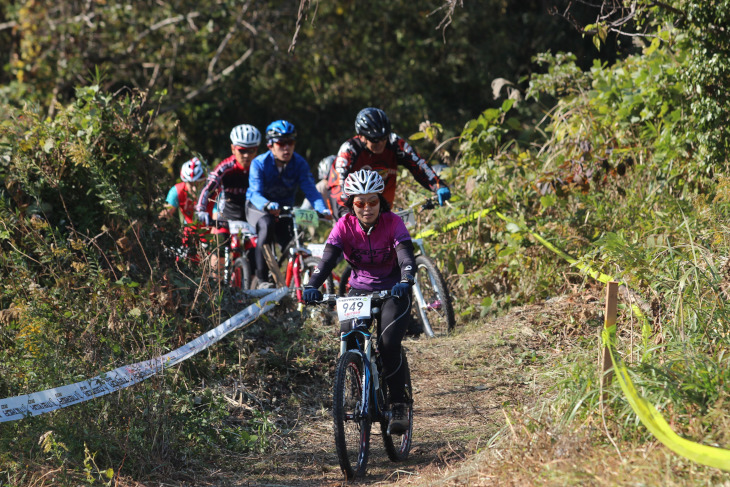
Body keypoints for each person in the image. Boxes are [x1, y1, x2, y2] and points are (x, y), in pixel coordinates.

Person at [302, 169, 415, 434]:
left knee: (388, 345)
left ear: (381, 201)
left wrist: (406, 280)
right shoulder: (344, 226)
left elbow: (406, 257)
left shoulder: (393, 222)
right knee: (350, 339)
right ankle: (358, 390)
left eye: (372, 202)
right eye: (360, 203)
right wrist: (311, 286)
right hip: (359, 291)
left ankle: (398, 403)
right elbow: (327, 261)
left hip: (393, 291)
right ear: (351, 203)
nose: (367, 208)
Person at [245, 120, 331, 288]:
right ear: (270, 145)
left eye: (290, 142)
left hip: (285, 209)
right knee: (267, 224)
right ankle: (262, 280)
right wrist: (267, 204)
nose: (286, 148)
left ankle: (293, 285)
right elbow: (255, 193)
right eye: (281, 143)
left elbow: (311, 191)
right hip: (258, 207)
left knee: (294, 241)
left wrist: (322, 209)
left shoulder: (299, 163)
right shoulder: (259, 163)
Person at [327, 107, 451, 219]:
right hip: (355, 209)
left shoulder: (394, 142)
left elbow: (418, 164)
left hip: (383, 208)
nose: (380, 143)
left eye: (384, 138)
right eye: (375, 140)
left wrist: (438, 184)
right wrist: (347, 214)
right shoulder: (349, 150)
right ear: (361, 136)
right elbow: (337, 185)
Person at [194, 124, 261, 275]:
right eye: (242, 150)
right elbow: (208, 188)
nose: (246, 155)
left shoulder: (261, 168)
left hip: (251, 220)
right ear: (233, 149)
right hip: (227, 217)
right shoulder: (225, 167)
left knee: (257, 259)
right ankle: (215, 288)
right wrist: (201, 210)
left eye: (252, 150)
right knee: (219, 249)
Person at [159, 156, 212, 259]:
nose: (194, 188)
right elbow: (166, 213)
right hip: (190, 237)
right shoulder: (177, 191)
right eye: (191, 184)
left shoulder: (214, 191)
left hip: (211, 236)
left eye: (198, 184)